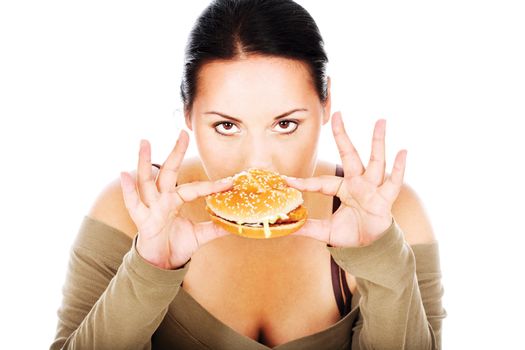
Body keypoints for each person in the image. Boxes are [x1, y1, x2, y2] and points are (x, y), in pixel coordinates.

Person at [50, 0, 446, 349]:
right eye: (226, 126)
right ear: (188, 113)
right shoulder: (131, 210)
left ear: (326, 103)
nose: (258, 163)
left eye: (286, 124)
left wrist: (379, 257)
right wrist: (149, 270)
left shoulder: (392, 213)